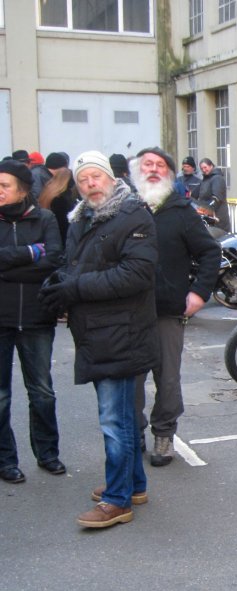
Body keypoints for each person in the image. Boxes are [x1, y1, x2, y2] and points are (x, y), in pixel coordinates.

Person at [39, 150, 158, 529]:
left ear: (111, 179)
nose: (91, 184)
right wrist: (59, 281)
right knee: (118, 415)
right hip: (98, 332)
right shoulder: (82, 219)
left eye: (96, 177)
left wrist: (74, 287)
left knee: (115, 419)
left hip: (122, 332)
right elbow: (76, 265)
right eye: (83, 180)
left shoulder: (133, 215)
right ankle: (133, 485)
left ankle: (117, 500)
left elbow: (136, 274)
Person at [131, 147, 219, 467]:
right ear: (137, 172)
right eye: (147, 165)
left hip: (168, 309)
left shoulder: (182, 211)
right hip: (128, 311)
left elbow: (210, 253)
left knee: (167, 378)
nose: (153, 170)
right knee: (131, 378)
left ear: (169, 174)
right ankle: (134, 431)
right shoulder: (126, 209)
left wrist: (198, 294)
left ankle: (164, 434)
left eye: (160, 165)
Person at [0, 159, 64, 484]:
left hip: (38, 316)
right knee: (0, 396)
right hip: (1, 318)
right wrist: (30, 253)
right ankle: (5, 460)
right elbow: (40, 258)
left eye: (4, 185)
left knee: (42, 391)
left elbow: (54, 259)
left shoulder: (46, 218)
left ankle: (48, 453)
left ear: (23, 189)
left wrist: (9, 265)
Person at [37, 164, 77, 249]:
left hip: (46, 235)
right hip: (60, 239)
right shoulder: (61, 199)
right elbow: (63, 224)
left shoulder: (48, 192)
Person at [197, 157, 230, 232]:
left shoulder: (217, 179)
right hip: (209, 217)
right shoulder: (205, 180)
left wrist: (207, 210)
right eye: (202, 169)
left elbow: (217, 198)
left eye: (205, 167)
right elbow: (194, 194)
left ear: (211, 165)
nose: (204, 170)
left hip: (218, 218)